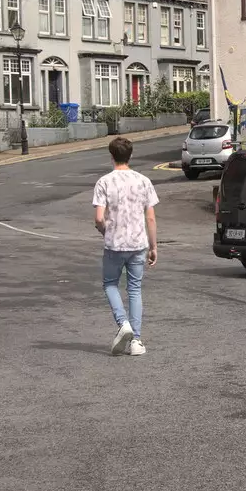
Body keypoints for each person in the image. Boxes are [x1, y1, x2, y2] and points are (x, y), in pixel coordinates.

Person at [93, 137, 159, 356]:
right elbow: (150, 218)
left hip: (115, 244)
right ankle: (136, 341)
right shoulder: (143, 181)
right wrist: (153, 246)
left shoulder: (104, 182)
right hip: (138, 243)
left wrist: (105, 231)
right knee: (135, 289)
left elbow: (99, 218)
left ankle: (123, 323)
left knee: (110, 284)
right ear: (130, 156)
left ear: (111, 156)